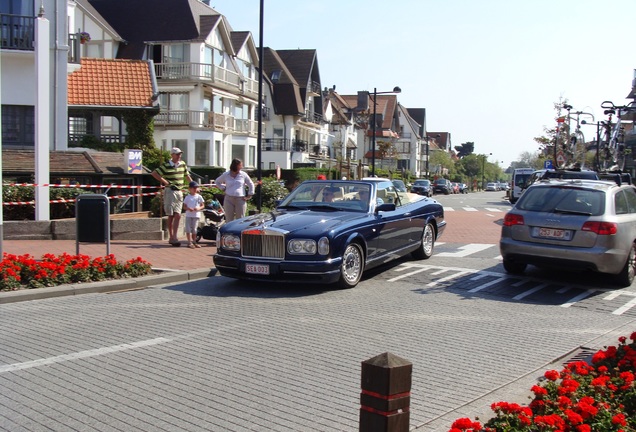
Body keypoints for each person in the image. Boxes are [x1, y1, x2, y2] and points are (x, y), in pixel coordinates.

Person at [152, 147, 192, 246]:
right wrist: (165, 182)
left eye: (180, 154)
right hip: (170, 191)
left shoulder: (182, 164)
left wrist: (193, 185)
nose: (179, 156)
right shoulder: (166, 165)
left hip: (179, 191)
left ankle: (175, 236)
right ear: (172, 155)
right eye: (177, 154)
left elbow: (187, 176)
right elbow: (154, 173)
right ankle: (172, 237)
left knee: (178, 214)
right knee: (170, 215)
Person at [183, 181, 205, 249]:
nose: (195, 189)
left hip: (196, 215)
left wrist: (198, 208)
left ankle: (194, 241)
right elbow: (184, 206)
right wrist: (188, 208)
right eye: (193, 188)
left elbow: (203, 205)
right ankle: (189, 242)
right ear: (190, 189)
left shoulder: (199, 196)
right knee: (188, 229)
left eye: (196, 188)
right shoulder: (187, 197)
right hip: (189, 215)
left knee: (194, 229)